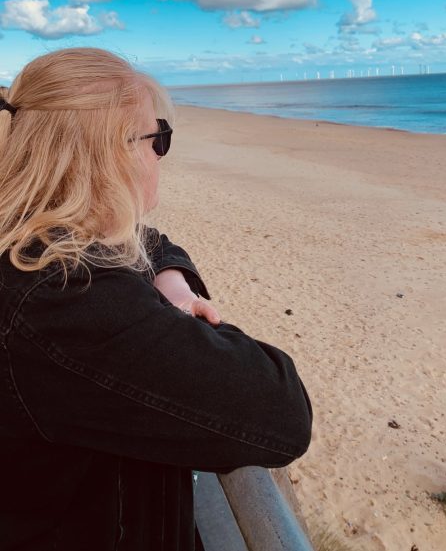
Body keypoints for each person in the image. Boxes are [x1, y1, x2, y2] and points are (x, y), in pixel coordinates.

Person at [0, 47, 313, 551]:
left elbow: (147, 240)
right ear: (115, 152)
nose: (161, 155)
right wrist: (193, 329)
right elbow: (281, 413)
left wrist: (173, 284)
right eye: (158, 138)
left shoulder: (31, 238)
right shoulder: (65, 297)